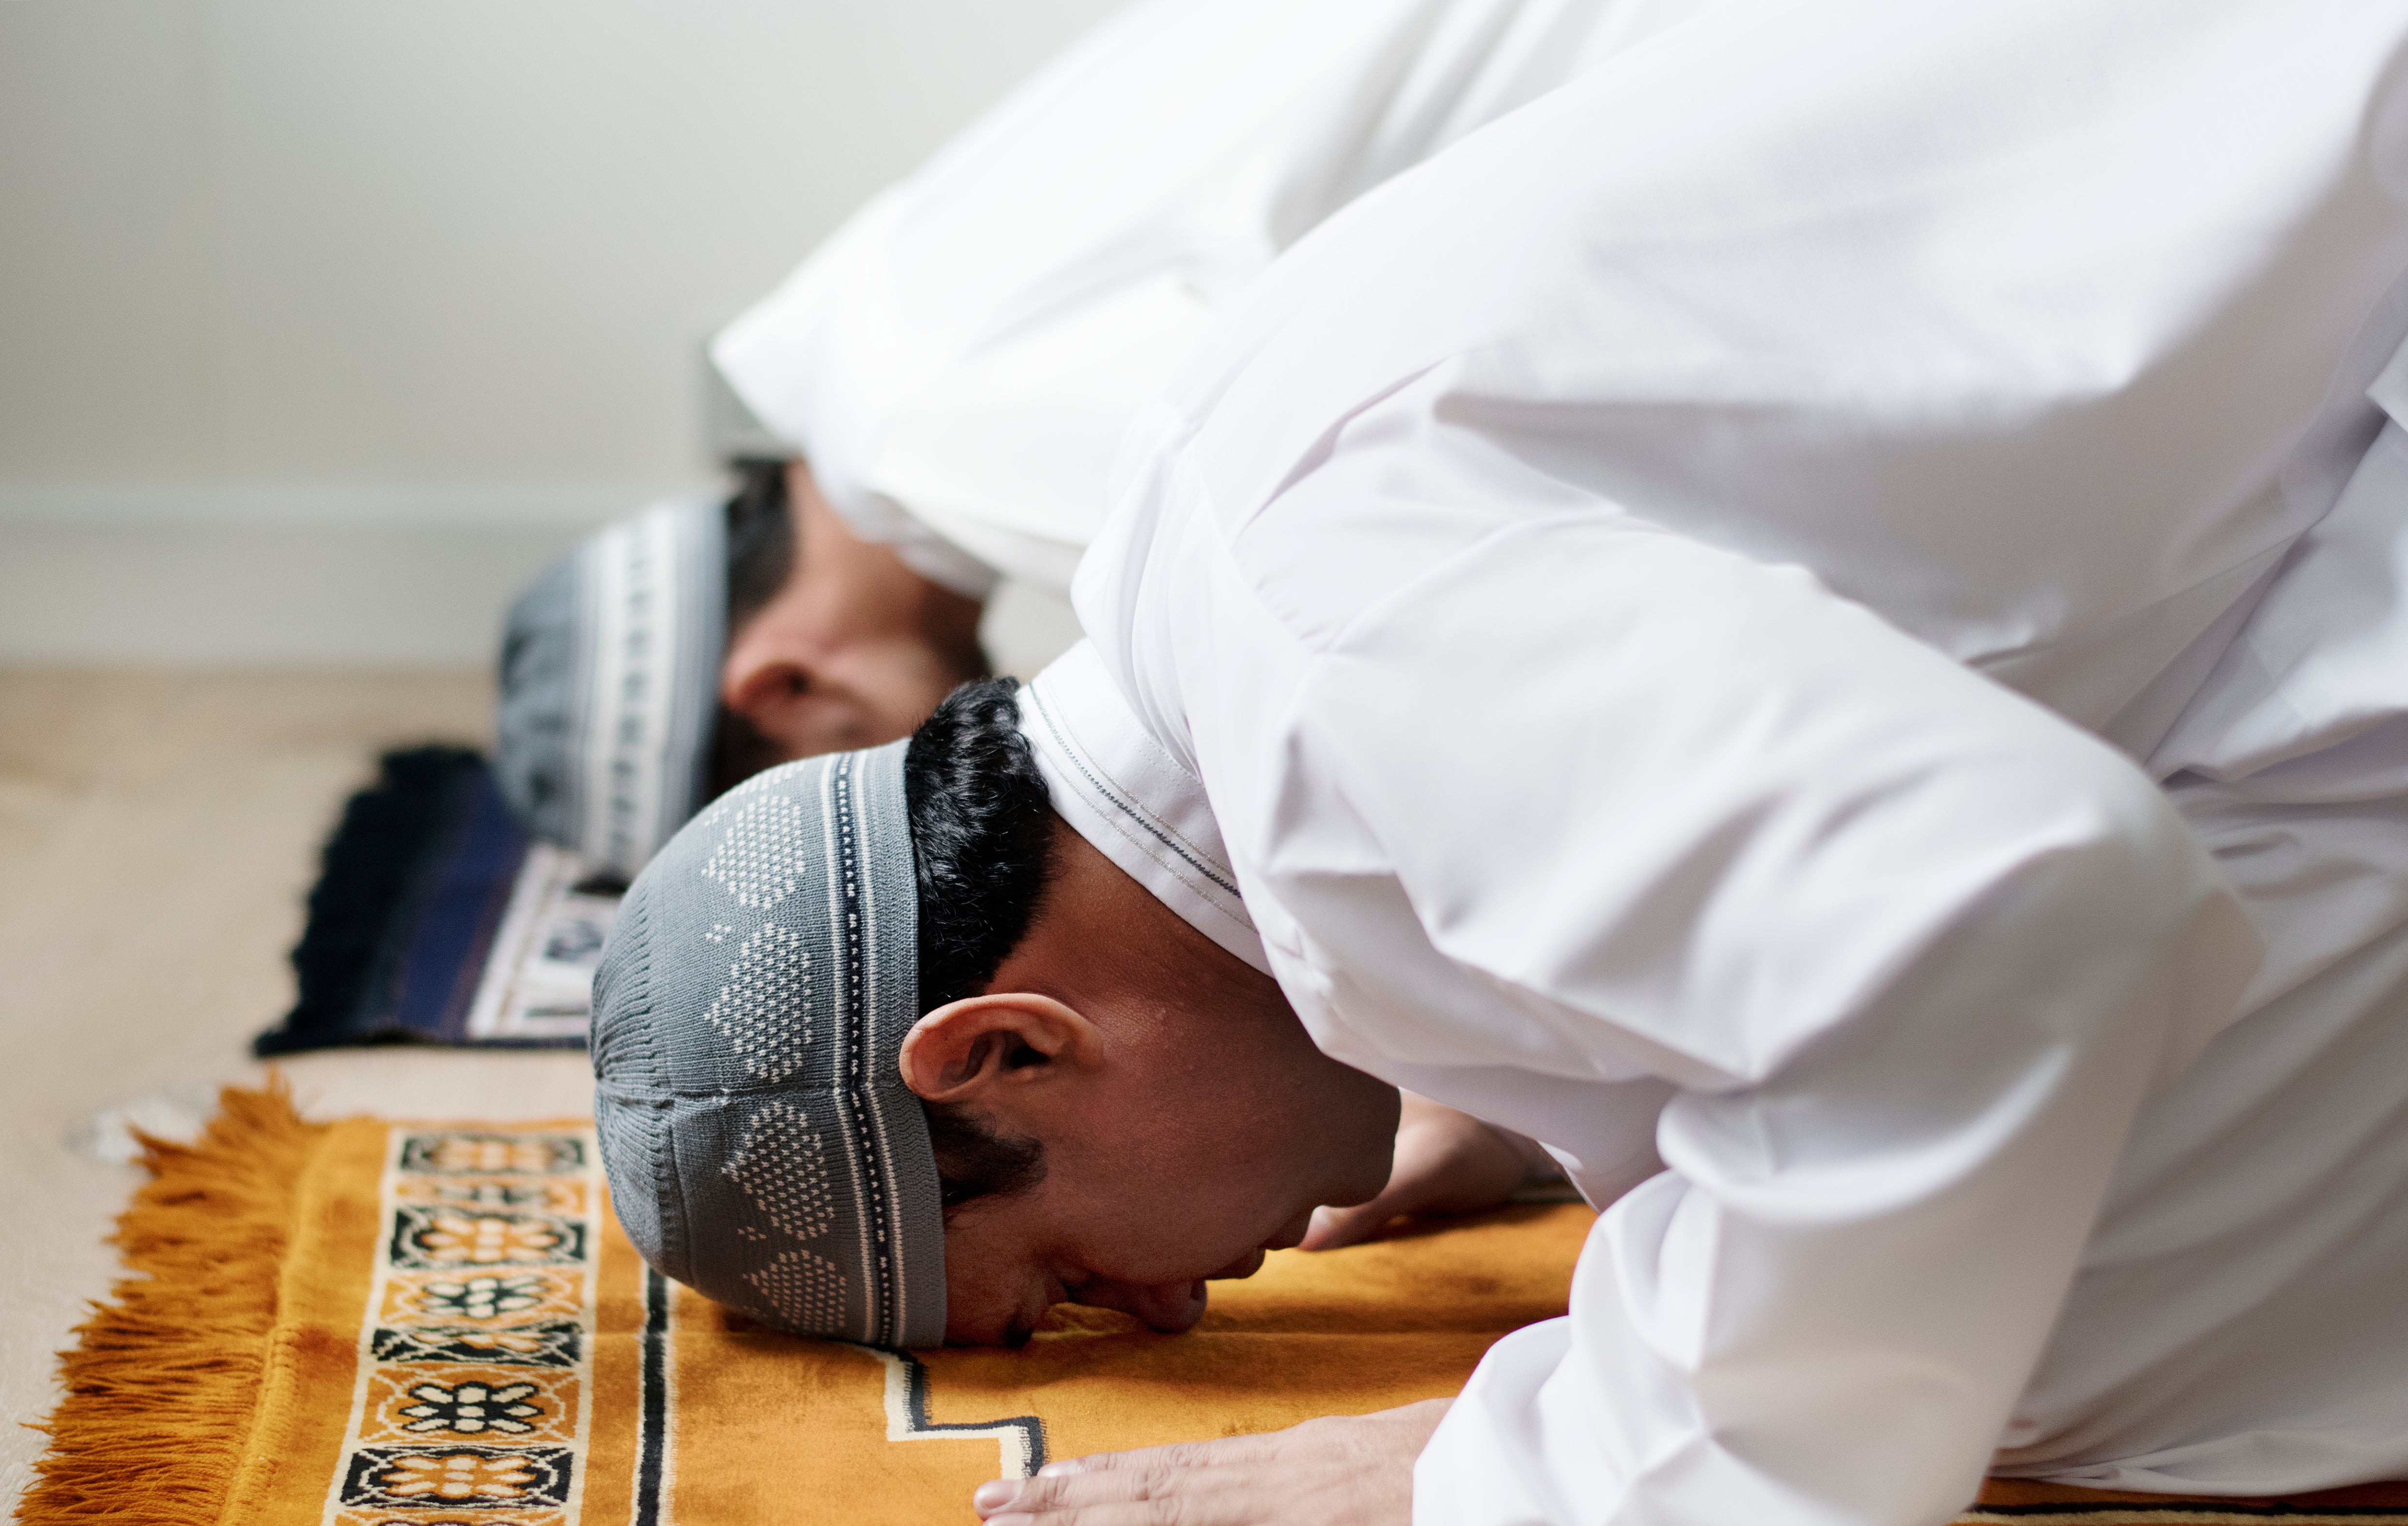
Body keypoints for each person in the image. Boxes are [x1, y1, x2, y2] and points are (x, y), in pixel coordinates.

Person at [591, 0, 2408, 1526]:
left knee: (2062, 1333)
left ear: (1002, 1051)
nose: (1165, 1316)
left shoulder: (1329, 674)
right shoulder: (1195, 577)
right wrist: (1529, 1085)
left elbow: (2015, 906)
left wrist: (1571, 1462)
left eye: (1053, 1278)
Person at [491, 0, 1712, 882]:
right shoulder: (865, 318)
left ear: (784, 684)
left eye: (863, 801)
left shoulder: (943, 435)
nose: (936, 811)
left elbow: (1412, 612)